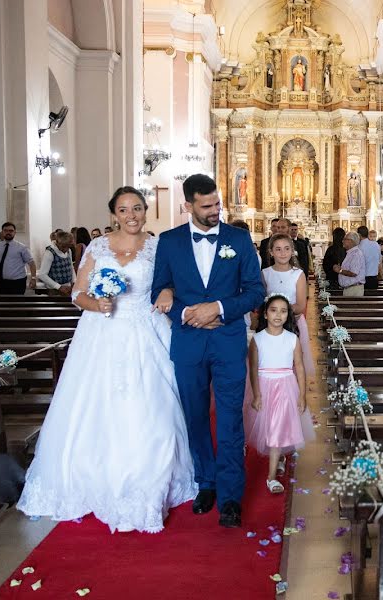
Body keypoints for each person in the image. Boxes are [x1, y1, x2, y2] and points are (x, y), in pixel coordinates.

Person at [17, 187, 197, 533]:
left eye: (138, 208)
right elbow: (77, 292)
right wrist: (94, 304)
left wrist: (167, 291)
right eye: (124, 209)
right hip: (102, 332)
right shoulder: (99, 247)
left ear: (146, 210)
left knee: (153, 409)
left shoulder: (159, 247)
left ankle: (150, 478)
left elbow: (172, 285)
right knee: (95, 406)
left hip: (146, 332)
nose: (132, 215)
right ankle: (93, 477)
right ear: (114, 213)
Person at [151, 174, 265, 529]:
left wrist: (217, 307)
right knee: (195, 416)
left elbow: (254, 292)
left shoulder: (238, 238)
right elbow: (158, 291)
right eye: (207, 206)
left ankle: (231, 496)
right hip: (188, 343)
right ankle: (206, 482)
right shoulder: (168, 242)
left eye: (217, 204)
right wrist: (187, 313)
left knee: (231, 418)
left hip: (228, 341)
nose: (216, 210)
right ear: (188, 206)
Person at [245, 294, 314, 493]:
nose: (278, 315)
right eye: (273, 310)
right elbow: (253, 368)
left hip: (285, 387)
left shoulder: (292, 339)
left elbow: (299, 367)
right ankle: (279, 459)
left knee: (279, 429)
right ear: (265, 314)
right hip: (265, 387)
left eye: (283, 311)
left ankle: (271, 477)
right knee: (272, 428)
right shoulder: (257, 340)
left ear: (288, 316)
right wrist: (257, 394)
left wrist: (302, 395)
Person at [263, 234, 315, 378]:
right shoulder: (265, 274)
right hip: (270, 327)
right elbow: (261, 302)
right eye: (278, 249)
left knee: (292, 366)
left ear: (292, 251)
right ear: (271, 252)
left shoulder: (298, 274)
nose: (283, 253)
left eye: (287, 249)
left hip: (293, 324)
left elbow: (300, 305)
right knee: (272, 365)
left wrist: (279, 312)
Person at [0, 222, 36, 294]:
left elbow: (31, 263)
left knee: (17, 303)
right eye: (5, 230)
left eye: (11, 231)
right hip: (3, 282)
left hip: (18, 282)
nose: (8, 232)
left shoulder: (21, 247)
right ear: (2, 232)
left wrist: (33, 278)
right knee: (5, 303)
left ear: (15, 232)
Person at [37, 230, 76, 296]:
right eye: (63, 246)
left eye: (68, 246)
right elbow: (42, 275)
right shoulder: (50, 252)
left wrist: (74, 282)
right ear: (58, 242)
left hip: (68, 288)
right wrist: (59, 287)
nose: (66, 249)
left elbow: (71, 267)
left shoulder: (68, 250)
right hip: (54, 289)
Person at [334, 231, 365, 297]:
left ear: (351, 241)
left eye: (345, 239)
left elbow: (354, 273)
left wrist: (340, 270)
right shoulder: (350, 253)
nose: (342, 241)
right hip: (350, 288)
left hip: (354, 289)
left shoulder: (356, 254)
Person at [357, 225, 382, 289]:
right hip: (374, 278)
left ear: (359, 235)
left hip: (363, 279)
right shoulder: (376, 245)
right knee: (373, 298)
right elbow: (379, 261)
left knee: (363, 298)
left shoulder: (359, 247)